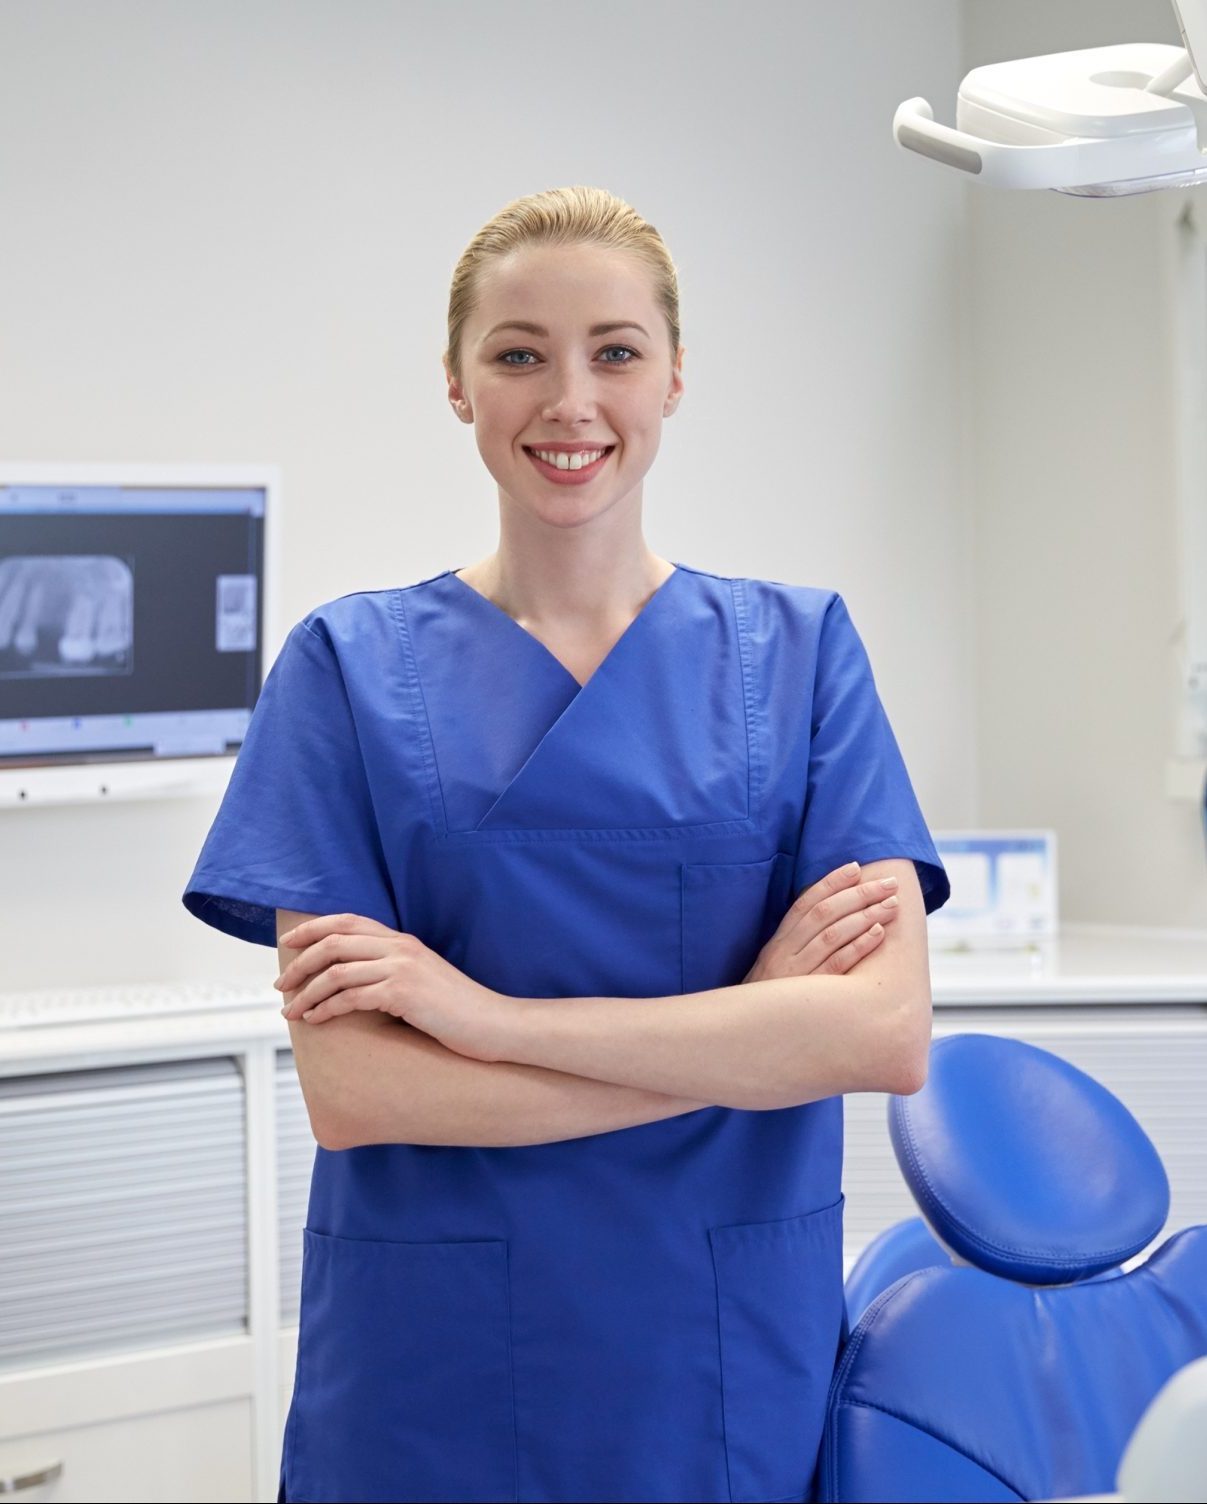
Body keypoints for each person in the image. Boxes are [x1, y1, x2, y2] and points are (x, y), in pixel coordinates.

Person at [183, 184, 951, 1504]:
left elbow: (879, 1034)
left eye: (615, 351)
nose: (570, 402)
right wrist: (753, 1024)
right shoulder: (344, 670)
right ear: (457, 384)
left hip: (711, 1358)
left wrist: (480, 1017)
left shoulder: (804, 651)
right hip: (439, 1370)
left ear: (674, 377)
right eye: (519, 353)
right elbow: (364, 1092)